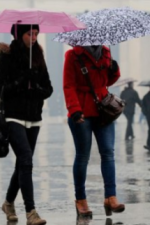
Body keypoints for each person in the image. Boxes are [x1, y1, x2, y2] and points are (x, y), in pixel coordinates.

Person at [0, 24, 53, 225]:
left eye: (37, 33)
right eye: (30, 33)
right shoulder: (7, 55)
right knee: (26, 160)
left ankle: (9, 203)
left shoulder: (38, 56)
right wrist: (22, 81)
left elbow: (48, 89)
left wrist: (36, 87)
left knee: (22, 163)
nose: (34, 37)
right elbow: (0, 90)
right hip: (13, 116)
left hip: (34, 116)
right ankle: (31, 212)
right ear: (20, 35)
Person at [63, 45, 125, 218]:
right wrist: (74, 109)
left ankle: (110, 197)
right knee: (83, 156)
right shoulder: (73, 55)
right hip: (81, 111)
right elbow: (68, 85)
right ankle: (81, 199)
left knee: (108, 152)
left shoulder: (106, 52)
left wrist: (114, 70)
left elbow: (107, 81)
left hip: (103, 110)